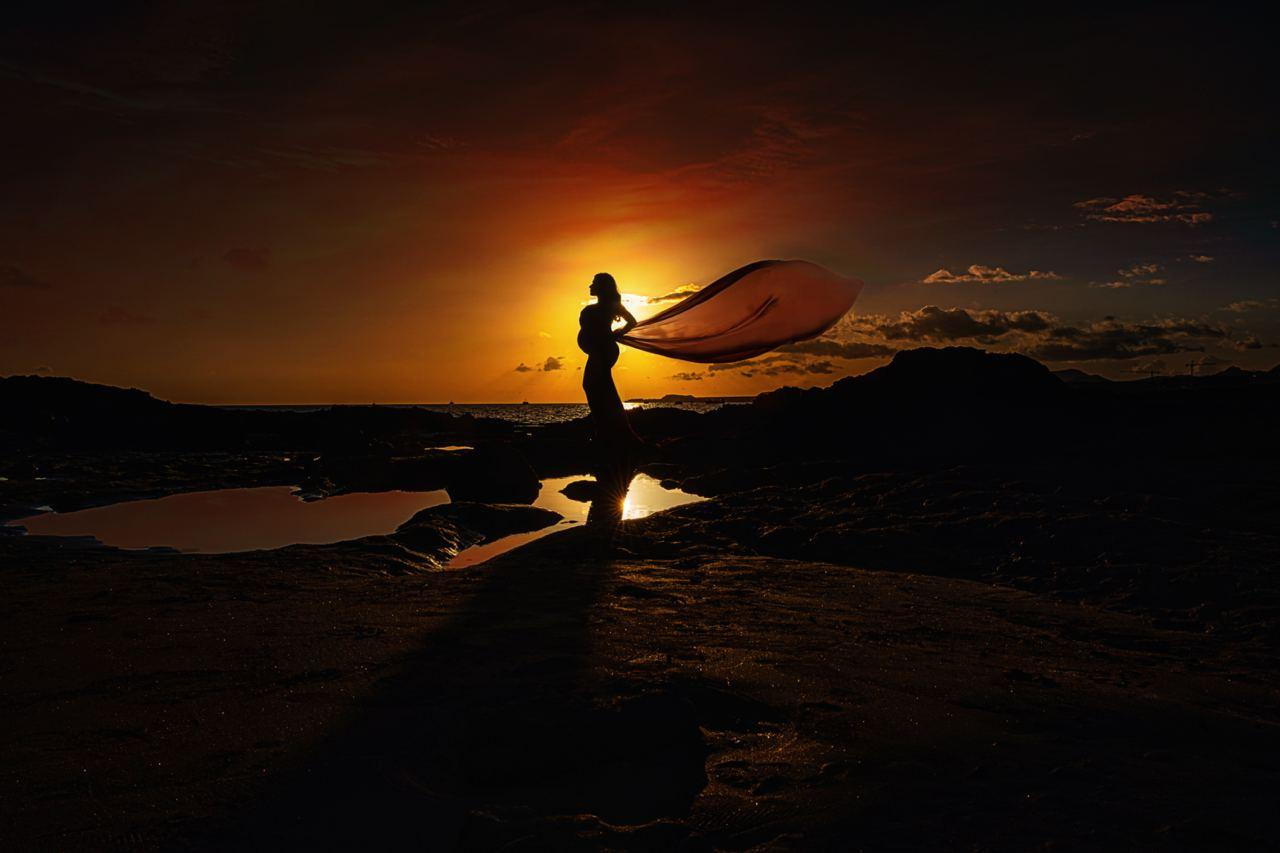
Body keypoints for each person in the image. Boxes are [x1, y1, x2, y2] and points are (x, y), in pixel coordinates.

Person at [577, 272, 639, 448]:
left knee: (593, 386)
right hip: (599, 350)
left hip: (604, 350)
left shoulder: (611, 306)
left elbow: (632, 322)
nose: (590, 286)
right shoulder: (597, 307)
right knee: (600, 388)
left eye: (594, 282)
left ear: (602, 287)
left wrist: (616, 334)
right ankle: (608, 431)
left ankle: (605, 433)